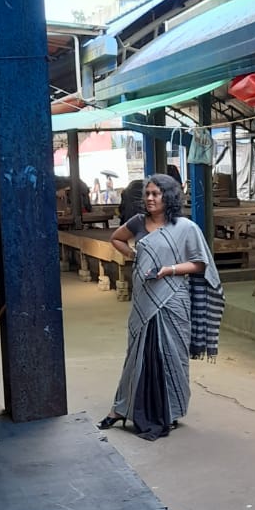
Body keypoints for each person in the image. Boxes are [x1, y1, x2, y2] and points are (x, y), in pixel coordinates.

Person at [99, 174, 225, 441]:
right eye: (148, 194)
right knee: (137, 354)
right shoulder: (138, 223)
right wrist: (134, 255)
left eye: (156, 193)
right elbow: (117, 238)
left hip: (174, 299)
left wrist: (170, 270)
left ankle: (172, 410)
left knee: (173, 357)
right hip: (144, 300)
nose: (150, 198)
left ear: (169, 197)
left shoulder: (186, 228)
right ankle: (121, 408)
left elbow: (200, 264)